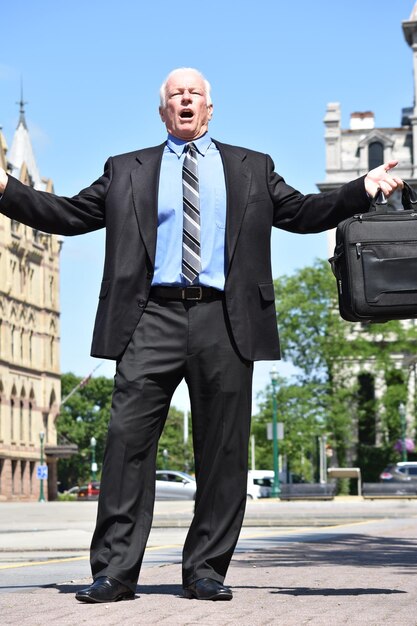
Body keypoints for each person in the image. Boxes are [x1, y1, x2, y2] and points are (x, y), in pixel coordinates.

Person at [0, 68, 402, 603]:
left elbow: (305, 213)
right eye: (175, 95)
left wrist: (361, 190)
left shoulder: (252, 168)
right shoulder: (126, 170)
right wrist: (5, 188)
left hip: (226, 318)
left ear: (209, 109)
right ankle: (115, 573)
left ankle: (206, 571)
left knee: (224, 451)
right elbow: (67, 214)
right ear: (163, 111)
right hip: (149, 317)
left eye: (194, 95)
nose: (185, 101)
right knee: (125, 445)